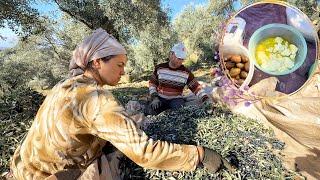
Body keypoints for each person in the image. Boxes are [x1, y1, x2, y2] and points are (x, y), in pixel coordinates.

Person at [9, 28, 237, 180]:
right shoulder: (95, 98)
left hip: (23, 169)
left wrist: (205, 98)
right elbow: (144, 152)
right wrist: (200, 154)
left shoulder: (64, 85)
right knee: (117, 159)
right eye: (119, 65)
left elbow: (195, 86)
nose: (124, 71)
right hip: (50, 175)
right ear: (97, 62)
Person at [147, 42, 210, 115]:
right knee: (151, 112)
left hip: (176, 99)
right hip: (160, 98)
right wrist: (154, 98)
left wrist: (205, 98)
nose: (180, 61)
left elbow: (196, 87)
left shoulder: (186, 73)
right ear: (171, 54)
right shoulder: (160, 68)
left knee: (180, 113)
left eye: (182, 58)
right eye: (178, 57)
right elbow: (152, 83)